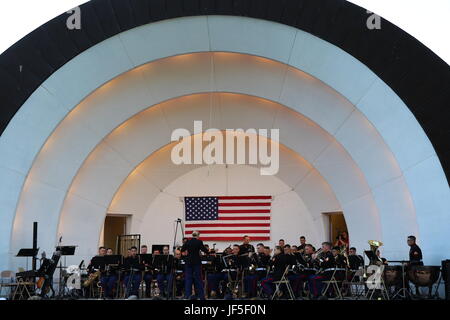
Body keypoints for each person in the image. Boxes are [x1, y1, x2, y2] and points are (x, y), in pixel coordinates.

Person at [180, 231, 208, 299]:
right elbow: (204, 250)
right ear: (198, 235)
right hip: (196, 262)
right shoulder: (199, 242)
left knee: (188, 279)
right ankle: (201, 296)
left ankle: (187, 296)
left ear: (192, 235)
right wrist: (209, 251)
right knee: (198, 279)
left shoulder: (187, 242)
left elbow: (182, 250)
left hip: (188, 262)